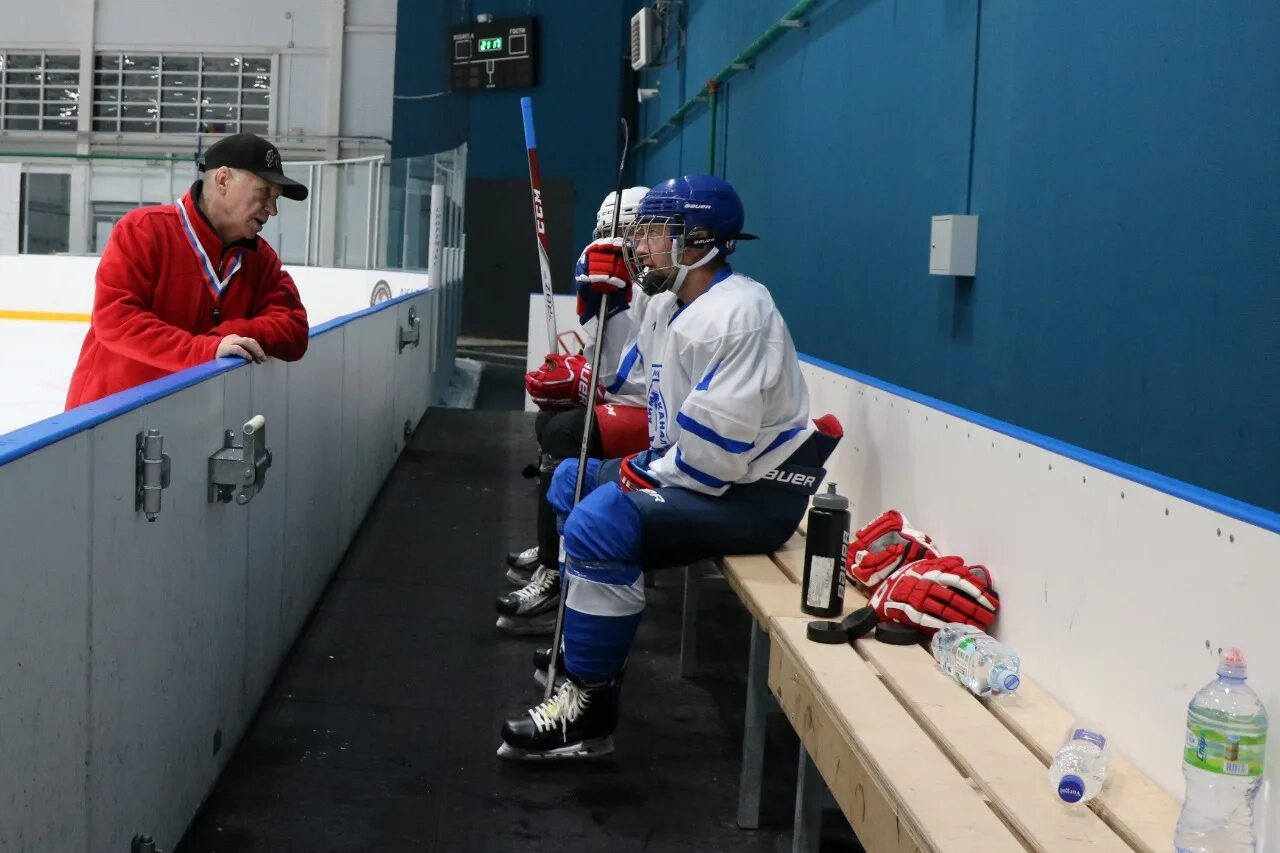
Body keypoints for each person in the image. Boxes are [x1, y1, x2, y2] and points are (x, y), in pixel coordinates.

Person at [497, 175, 842, 760]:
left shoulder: (738, 314)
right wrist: (600, 310)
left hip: (754, 495)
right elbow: (620, 384)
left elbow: (715, 462)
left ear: (701, 241)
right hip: (704, 469)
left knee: (600, 521)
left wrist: (645, 471)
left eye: (656, 233)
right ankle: (580, 643)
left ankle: (588, 709)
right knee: (569, 479)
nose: (641, 246)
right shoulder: (667, 304)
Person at [495, 188, 653, 636]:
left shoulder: (657, 291)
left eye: (626, 231)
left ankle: (556, 568)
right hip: (629, 402)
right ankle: (552, 551)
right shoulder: (610, 274)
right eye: (607, 231)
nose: (617, 241)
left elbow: (639, 373)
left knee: (566, 430)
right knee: (551, 422)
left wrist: (589, 383)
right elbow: (604, 356)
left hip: (653, 415)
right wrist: (578, 371)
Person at [65, 133, 310, 409]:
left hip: (186, 422)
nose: (272, 210)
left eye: (276, 198)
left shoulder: (260, 259)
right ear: (223, 180)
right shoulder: (144, 230)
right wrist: (205, 349)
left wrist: (229, 334)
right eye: (264, 192)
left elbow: (293, 328)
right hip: (107, 417)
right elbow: (117, 320)